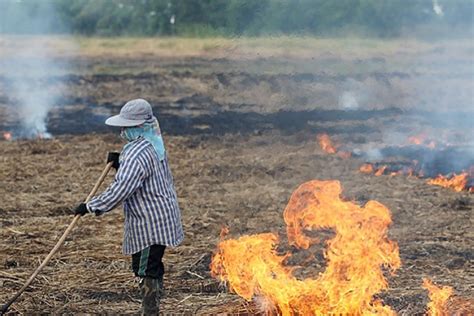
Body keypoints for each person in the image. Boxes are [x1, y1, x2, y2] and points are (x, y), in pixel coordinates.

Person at [73, 99, 183, 315]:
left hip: (150, 223)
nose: (123, 131)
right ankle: (153, 308)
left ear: (138, 126)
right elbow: (140, 176)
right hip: (163, 216)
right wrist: (120, 164)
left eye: (127, 126)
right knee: (152, 266)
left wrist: (91, 206)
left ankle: (150, 311)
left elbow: (122, 189)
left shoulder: (137, 153)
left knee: (145, 270)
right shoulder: (153, 143)